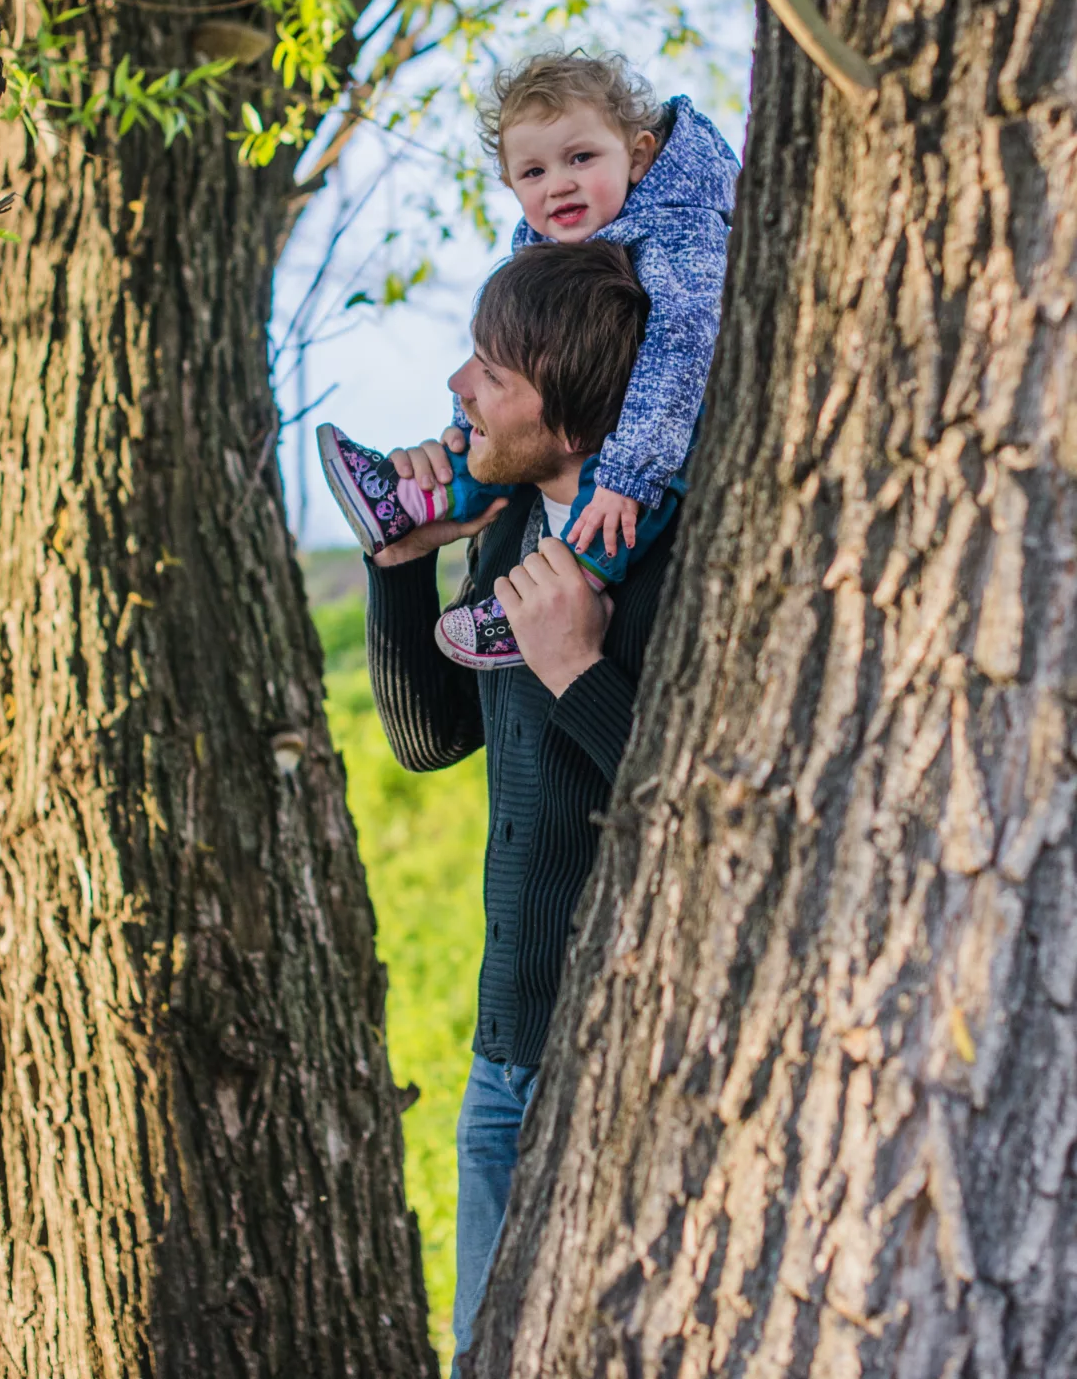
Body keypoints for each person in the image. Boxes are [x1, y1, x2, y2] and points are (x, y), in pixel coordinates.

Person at [357, 242, 677, 1360]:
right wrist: (399, 563)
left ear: (576, 422)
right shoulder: (508, 530)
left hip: (617, 1057)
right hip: (504, 1049)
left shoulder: (661, 562)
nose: (460, 386)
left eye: (494, 371)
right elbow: (431, 732)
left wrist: (578, 669)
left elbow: (691, 812)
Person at [315, 49, 736, 669]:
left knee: (640, 474)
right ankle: (416, 503)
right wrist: (466, 435)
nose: (558, 183)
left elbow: (683, 346)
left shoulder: (680, 230)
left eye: (581, 158)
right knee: (485, 448)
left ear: (640, 155)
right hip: (577, 435)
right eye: (532, 173)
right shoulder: (542, 244)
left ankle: (581, 573)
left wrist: (628, 473)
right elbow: (429, 744)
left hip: (668, 422)